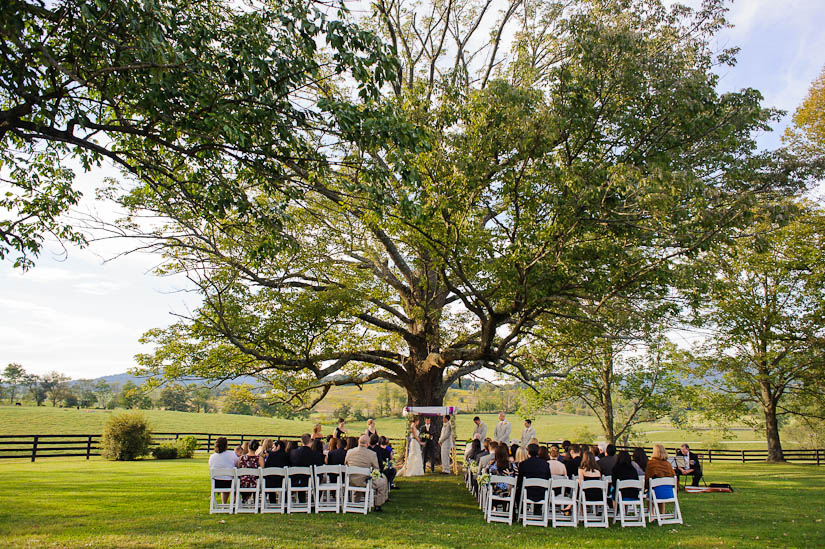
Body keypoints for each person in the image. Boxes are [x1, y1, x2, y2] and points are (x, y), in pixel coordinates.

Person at [345, 435, 388, 511]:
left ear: (358, 442)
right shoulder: (372, 454)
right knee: (383, 482)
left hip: (351, 481)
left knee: (358, 479)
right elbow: (376, 469)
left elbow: (346, 464)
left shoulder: (350, 452)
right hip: (365, 481)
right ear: (368, 443)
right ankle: (378, 505)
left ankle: (355, 502)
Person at [516, 443, 551, 512]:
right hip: (541, 492)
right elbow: (548, 478)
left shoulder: (523, 464)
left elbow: (519, 480)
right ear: (538, 452)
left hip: (526, 492)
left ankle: (521, 510)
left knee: (517, 491)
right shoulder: (545, 464)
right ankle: (537, 509)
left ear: (528, 452)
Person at [645, 444, 676, 513]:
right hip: (670, 492)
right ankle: (662, 515)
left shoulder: (651, 464)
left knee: (649, 496)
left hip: (656, 492)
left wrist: (645, 487)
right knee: (661, 489)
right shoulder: (668, 464)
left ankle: (652, 513)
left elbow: (647, 478)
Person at [208, 437, 238, 504]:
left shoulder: (212, 457)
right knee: (237, 482)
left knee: (225, 479)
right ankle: (234, 503)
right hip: (229, 483)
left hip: (216, 483)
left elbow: (210, 467)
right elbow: (237, 464)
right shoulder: (231, 454)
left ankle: (224, 504)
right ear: (226, 445)